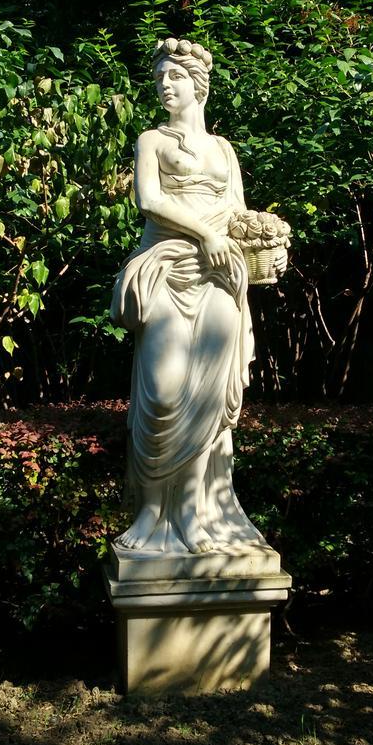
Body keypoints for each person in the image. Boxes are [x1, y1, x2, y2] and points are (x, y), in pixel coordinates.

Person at [111, 37, 285, 553]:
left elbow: (238, 214)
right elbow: (149, 199)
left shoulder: (224, 150)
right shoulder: (151, 140)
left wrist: (270, 245)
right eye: (160, 77)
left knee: (209, 398)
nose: (165, 85)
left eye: (176, 76)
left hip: (219, 278)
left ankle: (191, 514)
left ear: (198, 85)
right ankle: (151, 512)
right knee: (163, 392)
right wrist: (205, 233)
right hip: (167, 268)